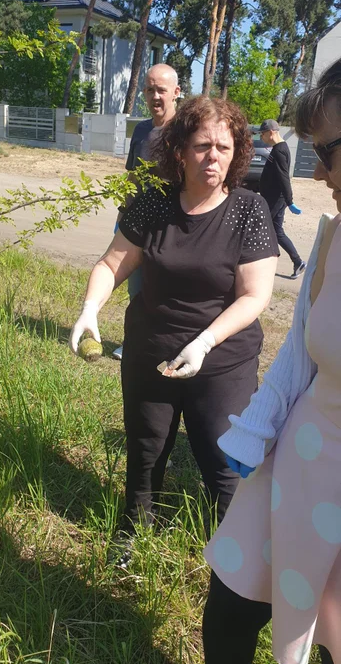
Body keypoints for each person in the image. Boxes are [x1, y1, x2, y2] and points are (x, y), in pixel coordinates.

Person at [70, 95, 278, 564]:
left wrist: (204, 342)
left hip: (221, 361)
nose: (214, 157)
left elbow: (255, 295)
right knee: (145, 453)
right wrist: (90, 308)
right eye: (203, 145)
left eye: (224, 147)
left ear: (237, 151)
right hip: (151, 353)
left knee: (225, 464)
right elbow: (111, 263)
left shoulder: (249, 209)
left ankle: (235, 558)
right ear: (180, 150)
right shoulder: (152, 203)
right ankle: (133, 537)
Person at [203, 59, 341, 664]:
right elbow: (298, 349)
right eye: (314, 152)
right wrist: (257, 428)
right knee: (231, 596)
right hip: (300, 457)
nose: (321, 172)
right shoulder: (335, 239)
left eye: (330, 151)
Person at [112, 63, 180, 360]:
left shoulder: (185, 130)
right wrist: (122, 211)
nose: (155, 96)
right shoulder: (141, 129)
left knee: (166, 289)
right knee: (136, 288)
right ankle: (135, 343)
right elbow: (134, 175)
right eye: (150, 90)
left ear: (176, 92)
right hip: (138, 221)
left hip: (172, 223)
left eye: (161, 90)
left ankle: (167, 344)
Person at [259, 118, 306, 279]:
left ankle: (260, 265)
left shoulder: (279, 150)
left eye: (262, 134)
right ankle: (298, 262)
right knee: (277, 232)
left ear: (271, 132)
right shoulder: (280, 147)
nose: (261, 138)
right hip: (275, 198)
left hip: (276, 199)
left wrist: (290, 200)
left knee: (262, 229)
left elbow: (283, 177)